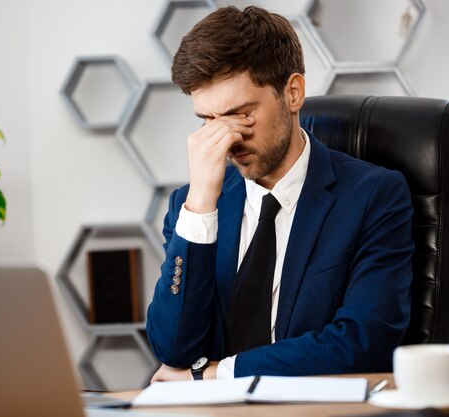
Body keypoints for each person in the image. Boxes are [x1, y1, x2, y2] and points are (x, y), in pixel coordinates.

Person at [146, 5, 414, 381]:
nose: (227, 138)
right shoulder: (191, 207)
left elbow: (365, 341)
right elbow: (172, 348)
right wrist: (202, 206)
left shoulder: (374, 196)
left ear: (292, 93)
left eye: (241, 114)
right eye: (207, 120)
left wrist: (216, 373)